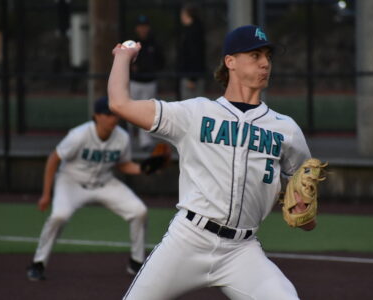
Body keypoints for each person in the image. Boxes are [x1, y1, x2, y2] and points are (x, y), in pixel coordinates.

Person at [109, 25, 315, 299]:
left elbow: (306, 212)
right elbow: (120, 104)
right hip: (189, 239)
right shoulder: (195, 113)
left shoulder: (286, 129)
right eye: (255, 55)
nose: (265, 63)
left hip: (242, 250)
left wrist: (304, 212)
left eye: (268, 56)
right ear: (230, 62)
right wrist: (123, 57)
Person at [26, 96, 150, 281]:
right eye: (107, 114)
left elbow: (123, 165)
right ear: (96, 116)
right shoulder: (79, 134)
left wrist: (143, 168)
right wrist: (46, 194)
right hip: (71, 182)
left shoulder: (122, 137)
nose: (112, 119)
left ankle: (136, 262)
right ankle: (38, 263)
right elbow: (54, 159)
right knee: (59, 215)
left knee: (139, 211)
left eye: (115, 115)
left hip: (104, 182)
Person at [129, 14, 165, 151]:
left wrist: (151, 68)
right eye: (140, 26)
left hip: (149, 82)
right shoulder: (132, 43)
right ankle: (129, 140)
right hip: (134, 82)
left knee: (147, 113)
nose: (142, 29)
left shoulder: (154, 43)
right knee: (130, 111)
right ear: (136, 28)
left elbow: (161, 62)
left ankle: (145, 142)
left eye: (144, 26)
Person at [176, 3, 206, 99]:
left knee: (190, 106)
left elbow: (195, 55)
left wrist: (192, 78)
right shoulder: (189, 30)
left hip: (191, 76)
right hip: (189, 74)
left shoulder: (193, 32)